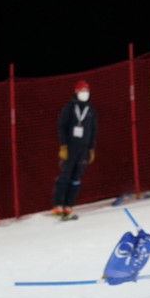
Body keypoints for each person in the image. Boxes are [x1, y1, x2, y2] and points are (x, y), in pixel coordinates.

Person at [52, 80, 97, 219]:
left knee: (76, 178)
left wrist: (91, 148)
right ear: (76, 92)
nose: (85, 94)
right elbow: (61, 127)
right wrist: (63, 145)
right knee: (65, 176)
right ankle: (58, 205)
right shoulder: (69, 108)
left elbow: (94, 130)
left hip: (83, 150)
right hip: (70, 147)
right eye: (82, 91)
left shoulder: (91, 110)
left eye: (87, 91)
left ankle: (69, 206)